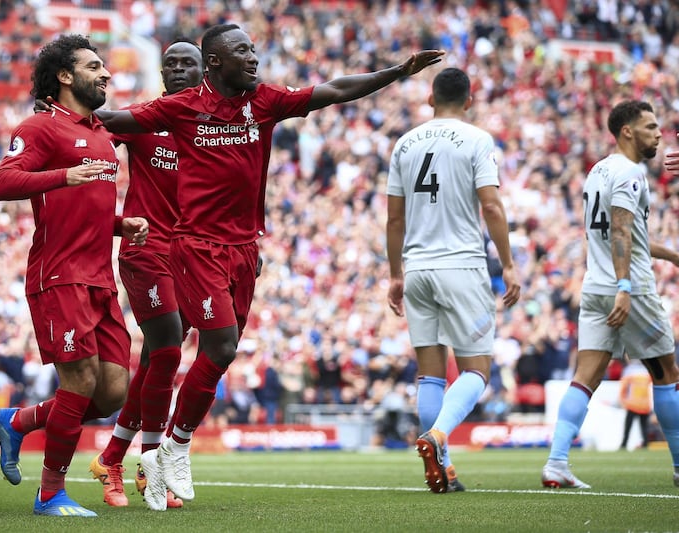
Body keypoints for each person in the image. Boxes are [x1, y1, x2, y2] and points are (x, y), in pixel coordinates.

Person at [91, 23, 444, 508]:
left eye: (253, 49)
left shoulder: (265, 102)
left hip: (244, 249)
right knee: (209, 345)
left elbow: (336, 90)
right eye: (243, 52)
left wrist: (399, 71)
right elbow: (112, 120)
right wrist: (61, 108)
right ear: (215, 62)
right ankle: (171, 447)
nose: (254, 58)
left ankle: (163, 448)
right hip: (195, 245)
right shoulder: (179, 108)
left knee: (218, 353)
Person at [0, 34, 149, 517]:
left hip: (100, 279)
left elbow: (87, 209)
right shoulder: (40, 128)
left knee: (109, 394)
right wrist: (62, 175)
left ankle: (17, 421)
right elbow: (2, 183)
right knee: (78, 381)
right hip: (59, 276)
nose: (106, 74)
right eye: (94, 66)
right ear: (65, 76)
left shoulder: (101, 133)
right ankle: (50, 494)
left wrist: (122, 225)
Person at [385, 67, 521, 493]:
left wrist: (395, 274)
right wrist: (509, 264)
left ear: (430, 99)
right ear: (470, 100)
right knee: (477, 369)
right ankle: (438, 437)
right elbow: (493, 208)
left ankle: (443, 468)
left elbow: (394, 217)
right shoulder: (478, 140)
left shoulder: (404, 144)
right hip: (461, 265)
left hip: (418, 268)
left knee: (430, 375)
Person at [86, 38, 204, 510]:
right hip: (146, 248)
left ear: (204, 71)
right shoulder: (144, 119)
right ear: (162, 73)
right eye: (170, 64)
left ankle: (113, 457)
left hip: (196, 256)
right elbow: (93, 132)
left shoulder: (217, 127)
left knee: (159, 356)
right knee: (170, 350)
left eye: (186, 63)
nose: (177, 70)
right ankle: (151, 463)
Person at [541, 100, 679, 490]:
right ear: (627, 132)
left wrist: (671, 256)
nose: (659, 134)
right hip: (628, 288)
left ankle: (556, 463)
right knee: (667, 374)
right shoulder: (630, 173)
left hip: (595, 285)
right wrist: (624, 287)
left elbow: (624, 234)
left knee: (586, 377)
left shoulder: (597, 170)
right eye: (651, 127)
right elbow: (619, 231)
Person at [618, 358, 652, 450]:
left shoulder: (629, 371)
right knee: (644, 427)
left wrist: (622, 400)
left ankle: (624, 444)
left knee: (628, 427)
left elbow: (623, 388)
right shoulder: (647, 370)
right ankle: (645, 444)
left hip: (632, 403)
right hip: (645, 404)